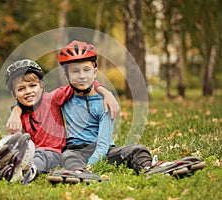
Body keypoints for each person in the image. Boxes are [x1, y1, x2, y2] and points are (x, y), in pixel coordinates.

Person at [47, 40, 205, 183]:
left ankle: (151, 168)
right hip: (76, 150)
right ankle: (77, 172)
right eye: (75, 71)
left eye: (86, 70)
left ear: (95, 72)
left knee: (136, 149)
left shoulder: (106, 103)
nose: (82, 76)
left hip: (104, 151)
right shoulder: (62, 97)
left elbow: (103, 144)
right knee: (68, 156)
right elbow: (36, 99)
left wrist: (91, 165)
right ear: (66, 75)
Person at [0, 59, 120, 184]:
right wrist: (15, 111)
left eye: (32, 86)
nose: (28, 91)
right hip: (30, 152)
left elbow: (79, 82)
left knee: (40, 155)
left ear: (41, 86)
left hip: (55, 153)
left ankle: (28, 172)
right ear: (14, 94)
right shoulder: (17, 113)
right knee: (10, 145)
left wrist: (106, 92)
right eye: (21, 89)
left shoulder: (52, 99)